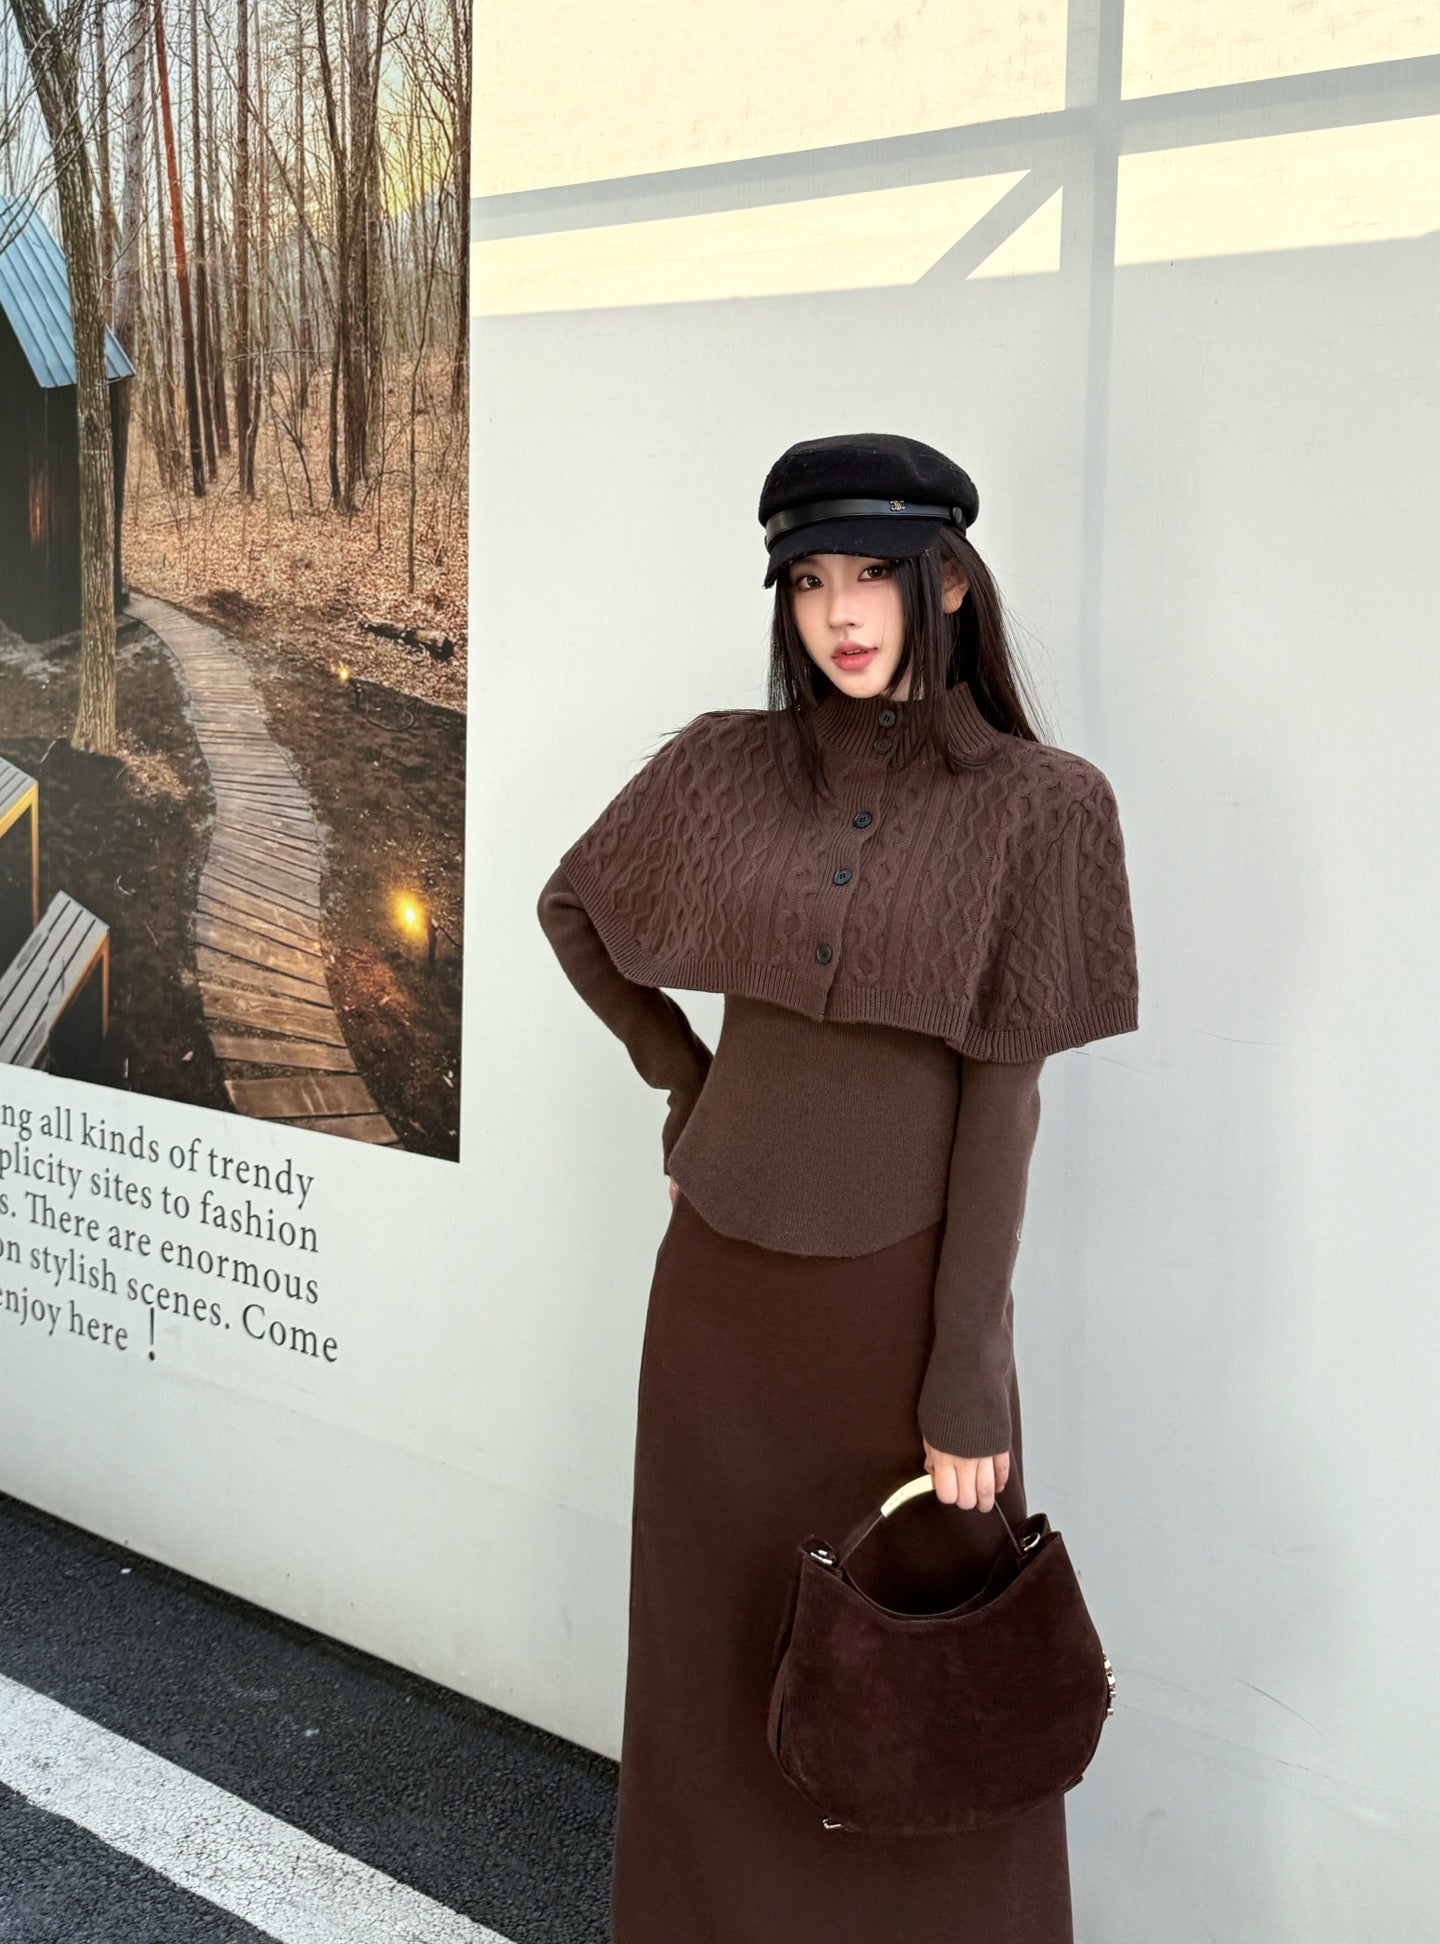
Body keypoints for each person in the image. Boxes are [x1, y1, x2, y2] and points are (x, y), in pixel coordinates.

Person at [536, 431, 1140, 1942]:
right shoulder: (728, 764)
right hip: (717, 1310)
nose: (842, 612)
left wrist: (967, 1380)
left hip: (899, 1321)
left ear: (952, 582)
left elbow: (1003, 1105)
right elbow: (575, 908)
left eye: (875, 571)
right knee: (712, 1670)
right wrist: (690, 1085)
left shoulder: (1042, 806)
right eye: (809, 581)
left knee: (921, 1689)